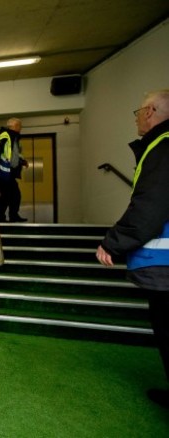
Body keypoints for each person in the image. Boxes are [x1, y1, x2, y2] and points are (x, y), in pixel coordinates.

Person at [96, 89, 169, 408]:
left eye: (138, 111)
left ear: (152, 111)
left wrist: (114, 242)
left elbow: (150, 204)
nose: (137, 117)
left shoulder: (162, 147)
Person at [0, 117, 29, 223]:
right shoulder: (6, 135)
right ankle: (5, 217)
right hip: (4, 171)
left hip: (9, 171)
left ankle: (8, 216)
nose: (21, 128)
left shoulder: (14, 137)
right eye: (20, 126)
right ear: (15, 126)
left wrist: (22, 161)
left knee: (10, 195)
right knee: (12, 195)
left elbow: (14, 154)